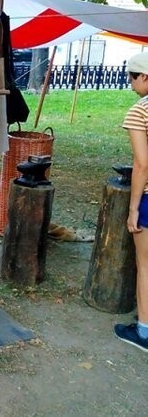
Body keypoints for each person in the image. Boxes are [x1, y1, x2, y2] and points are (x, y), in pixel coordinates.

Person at [115, 51, 148, 352]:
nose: (130, 84)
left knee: (145, 264)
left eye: (132, 78)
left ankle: (144, 332)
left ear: (144, 77)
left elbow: (141, 163)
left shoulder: (140, 110)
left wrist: (134, 207)